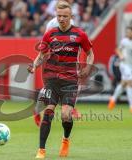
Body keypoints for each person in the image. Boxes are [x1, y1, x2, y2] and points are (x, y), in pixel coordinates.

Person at [28, 1, 94, 158]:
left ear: (71, 16)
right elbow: (42, 54)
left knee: (65, 115)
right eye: (59, 16)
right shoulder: (50, 33)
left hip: (70, 80)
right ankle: (41, 150)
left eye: (65, 16)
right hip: (51, 79)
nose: (61, 19)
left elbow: (91, 53)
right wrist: (34, 65)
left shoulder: (80, 34)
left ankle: (65, 140)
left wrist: (88, 67)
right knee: (48, 112)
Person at [108, 26, 132, 114]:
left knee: (124, 83)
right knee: (130, 82)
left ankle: (113, 99)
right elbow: (118, 49)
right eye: (127, 32)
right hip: (124, 65)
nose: (127, 34)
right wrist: (121, 55)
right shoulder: (124, 41)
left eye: (129, 32)